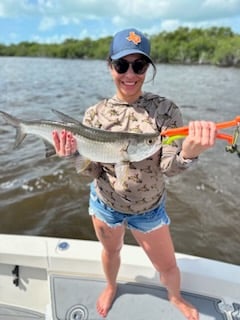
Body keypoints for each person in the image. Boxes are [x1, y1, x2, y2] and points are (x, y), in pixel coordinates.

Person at [52, 28, 217, 320]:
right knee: (111, 253)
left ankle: (175, 296)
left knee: (167, 266)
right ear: (110, 66)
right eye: (121, 65)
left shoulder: (165, 111)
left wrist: (189, 153)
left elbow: (168, 166)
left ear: (148, 68)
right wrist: (73, 154)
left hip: (149, 209)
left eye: (138, 65)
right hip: (105, 205)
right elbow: (92, 171)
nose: (130, 74)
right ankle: (111, 285)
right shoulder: (95, 114)